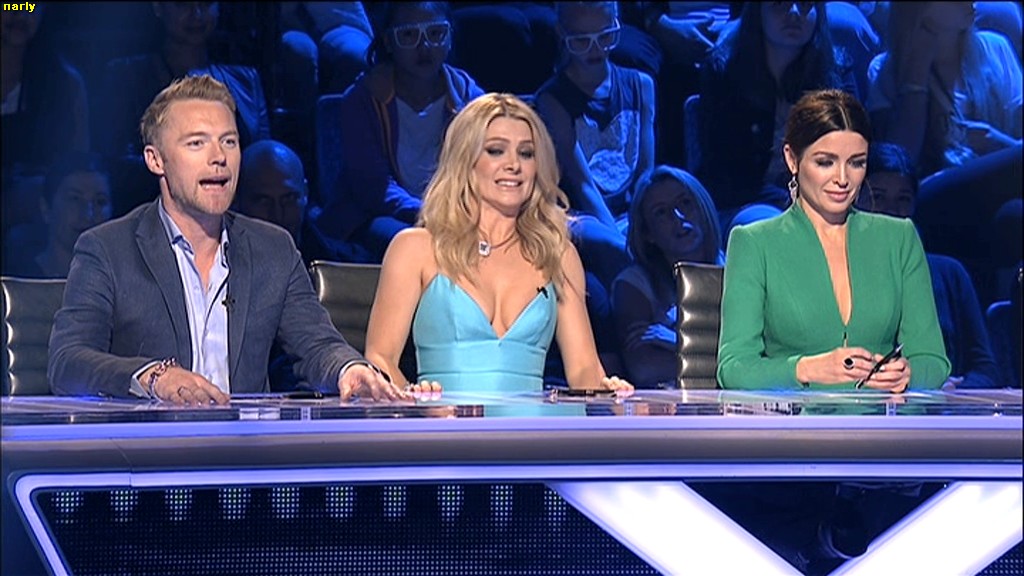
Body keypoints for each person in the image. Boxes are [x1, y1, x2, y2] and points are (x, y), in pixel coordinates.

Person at [48, 75, 403, 405]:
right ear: (156, 160)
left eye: (229, 142)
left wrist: (348, 369)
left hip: (245, 446)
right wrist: (153, 377)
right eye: (196, 143)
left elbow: (317, 344)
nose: (219, 158)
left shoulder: (273, 249)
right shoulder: (108, 249)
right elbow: (67, 362)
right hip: (148, 446)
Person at [363, 92, 632, 394]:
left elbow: (584, 367)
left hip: (535, 422)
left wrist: (607, 390)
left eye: (526, 153)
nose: (514, 164)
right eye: (495, 151)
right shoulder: (415, 249)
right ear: (465, 161)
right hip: (443, 419)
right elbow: (380, 359)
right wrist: (418, 404)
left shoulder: (557, 254)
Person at [718, 89, 950, 392]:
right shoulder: (754, 243)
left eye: (856, 163)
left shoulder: (899, 238)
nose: (842, 179)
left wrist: (907, 374)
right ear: (792, 159)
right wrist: (806, 368)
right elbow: (733, 368)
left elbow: (933, 360)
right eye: (825, 162)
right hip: (799, 418)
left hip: (882, 416)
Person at [317, 1, 484, 262]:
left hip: (450, 215)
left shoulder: (468, 97)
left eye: (435, 33)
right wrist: (429, 213)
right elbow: (373, 188)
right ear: (388, 42)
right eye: (408, 35)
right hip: (377, 215)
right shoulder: (363, 99)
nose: (424, 46)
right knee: (414, 245)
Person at [697, 2, 858, 230]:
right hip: (745, 203)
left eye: (805, 4)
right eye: (779, 4)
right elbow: (724, 171)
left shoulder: (837, 70)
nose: (794, 12)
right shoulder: (724, 72)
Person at [856, 141, 999, 389]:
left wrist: (953, 389)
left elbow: (986, 369)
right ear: (855, 200)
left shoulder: (949, 274)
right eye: (877, 197)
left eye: (903, 199)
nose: (891, 210)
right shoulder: (833, 273)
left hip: (938, 408)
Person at [534, 1, 655, 290]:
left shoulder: (641, 85)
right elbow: (583, 184)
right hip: (581, 214)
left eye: (605, 37)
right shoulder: (553, 99)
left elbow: (645, 171)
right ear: (562, 33)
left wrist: (642, 222)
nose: (595, 49)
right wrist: (623, 238)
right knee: (611, 245)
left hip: (633, 211)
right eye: (581, 41)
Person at [865, 1, 1021, 180]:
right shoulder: (885, 71)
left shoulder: (996, 49)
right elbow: (897, 168)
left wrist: (999, 144)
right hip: (935, 194)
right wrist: (915, 80)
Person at [611, 165, 724, 388]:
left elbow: (763, 357)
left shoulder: (739, 269)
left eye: (685, 203)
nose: (678, 217)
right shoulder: (634, 285)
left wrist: (678, 342)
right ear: (648, 233)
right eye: (661, 212)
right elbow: (645, 368)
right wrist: (725, 363)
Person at [235, 139, 370, 264]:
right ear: (237, 200)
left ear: (305, 193)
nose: (277, 214)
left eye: (289, 199)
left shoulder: (348, 266)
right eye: (264, 201)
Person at [2, 152, 113, 279]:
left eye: (100, 202)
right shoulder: (16, 279)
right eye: (74, 199)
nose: (88, 214)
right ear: (46, 209)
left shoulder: (120, 279)